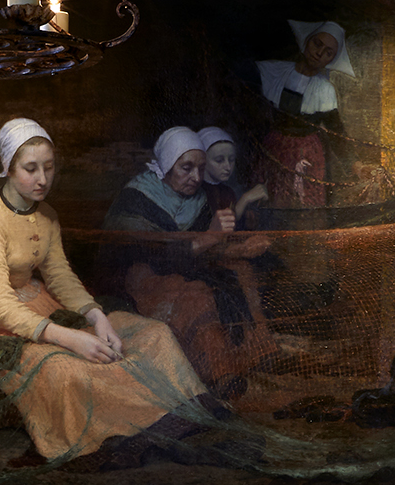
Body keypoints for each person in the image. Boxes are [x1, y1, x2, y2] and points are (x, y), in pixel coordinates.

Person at [0, 117, 207, 466]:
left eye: (49, 168)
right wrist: (72, 339)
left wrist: (96, 317)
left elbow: (59, 277)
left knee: (153, 333)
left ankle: (171, 420)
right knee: (67, 368)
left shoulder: (47, 215)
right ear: (8, 168)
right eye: (30, 169)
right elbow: (0, 308)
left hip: (38, 303)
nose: (42, 179)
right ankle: (109, 436)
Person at [100, 127, 275, 392]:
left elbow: (203, 249)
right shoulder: (137, 198)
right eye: (186, 168)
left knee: (240, 272)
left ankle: (259, 354)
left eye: (201, 169)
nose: (195, 177)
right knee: (196, 296)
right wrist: (209, 237)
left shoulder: (201, 199)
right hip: (136, 281)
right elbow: (149, 255)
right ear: (168, 165)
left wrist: (234, 248)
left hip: (184, 269)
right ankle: (220, 374)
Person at [252, 19, 355, 209]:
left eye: (328, 53)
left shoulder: (325, 90)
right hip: (275, 150)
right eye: (318, 44)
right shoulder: (274, 71)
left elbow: (336, 133)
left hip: (308, 156)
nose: (319, 53)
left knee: (304, 207)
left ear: (331, 59)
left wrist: (355, 164)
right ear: (307, 41)